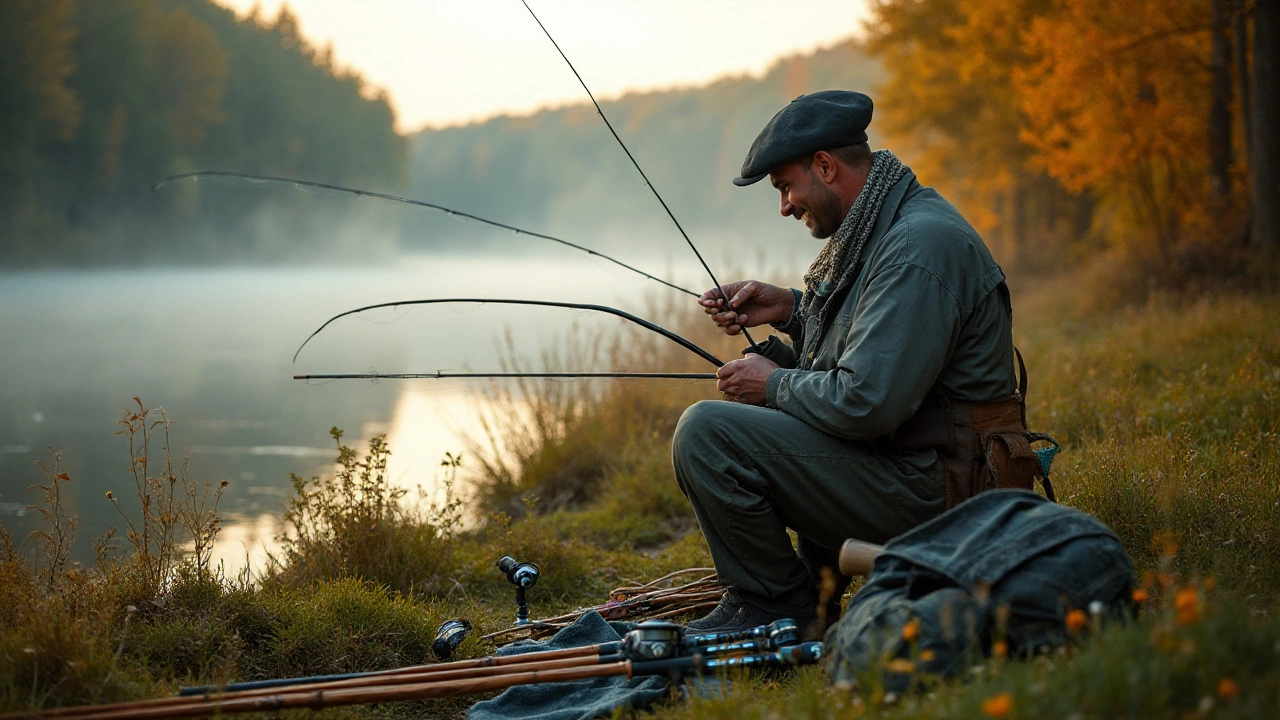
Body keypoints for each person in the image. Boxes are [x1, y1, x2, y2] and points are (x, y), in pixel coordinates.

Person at [672, 90, 1020, 634]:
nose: (784, 205)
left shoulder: (916, 247)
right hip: (923, 464)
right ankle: (809, 591)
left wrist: (774, 385)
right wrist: (790, 309)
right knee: (760, 417)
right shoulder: (885, 226)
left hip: (948, 491)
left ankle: (777, 607)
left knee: (706, 432)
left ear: (826, 167)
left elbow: (865, 402)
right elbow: (866, 347)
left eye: (786, 187)